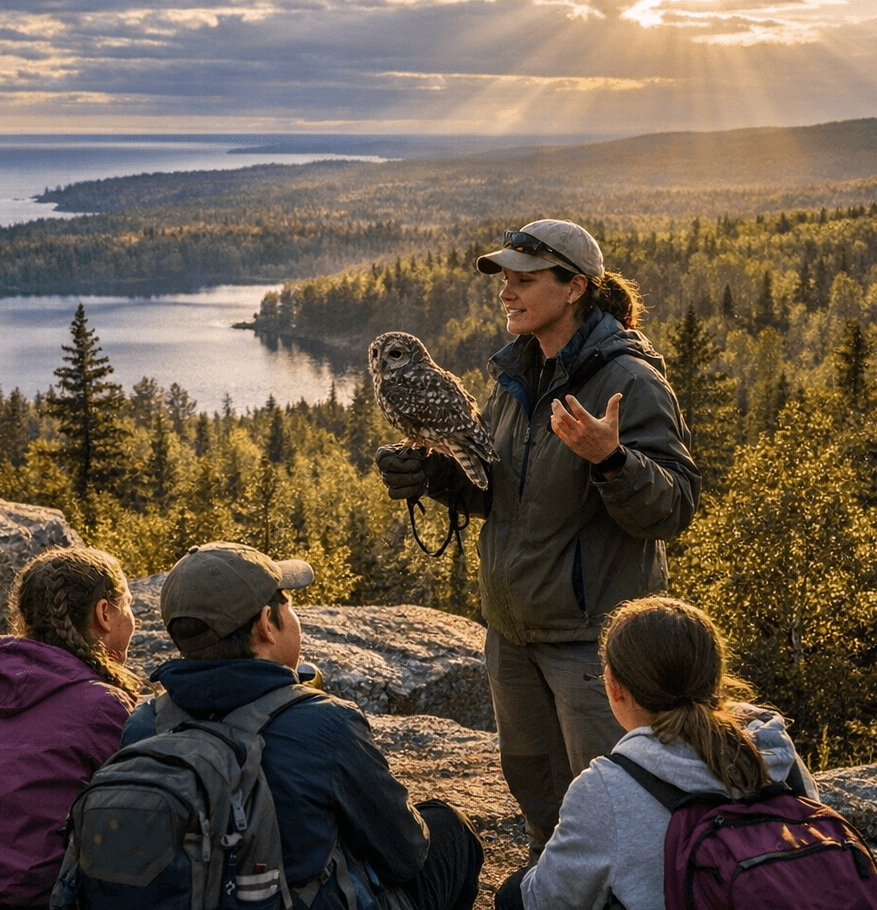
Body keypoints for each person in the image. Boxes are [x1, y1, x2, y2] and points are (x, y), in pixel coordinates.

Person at [377, 218, 700, 858]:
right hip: (512, 634)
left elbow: (675, 508)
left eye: (525, 280)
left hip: (591, 645)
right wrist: (436, 475)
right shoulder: (515, 379)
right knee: (537, 798)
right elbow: (500, 495)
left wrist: (613, 461)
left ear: (574, 287)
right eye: (504, 280)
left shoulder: (628, 382)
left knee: (613, 803)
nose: (507, 293)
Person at [124, 541, 483, 910]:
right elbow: (407, 852)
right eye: (289, 603)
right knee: (449, 829)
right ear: (266, 624)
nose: (294, 615)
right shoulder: (326, 723)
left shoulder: (143, 725)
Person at [495, 596, 818, 910]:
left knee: (514, 894)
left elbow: (547, 901)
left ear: (613, 686)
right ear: (715, 678)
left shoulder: (606, 787)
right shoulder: (768, 743)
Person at [0, 547, 141, 907]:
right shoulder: (103, 706)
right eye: (129, 604)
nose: (135, 620)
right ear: (104, 614)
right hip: (26, 894)